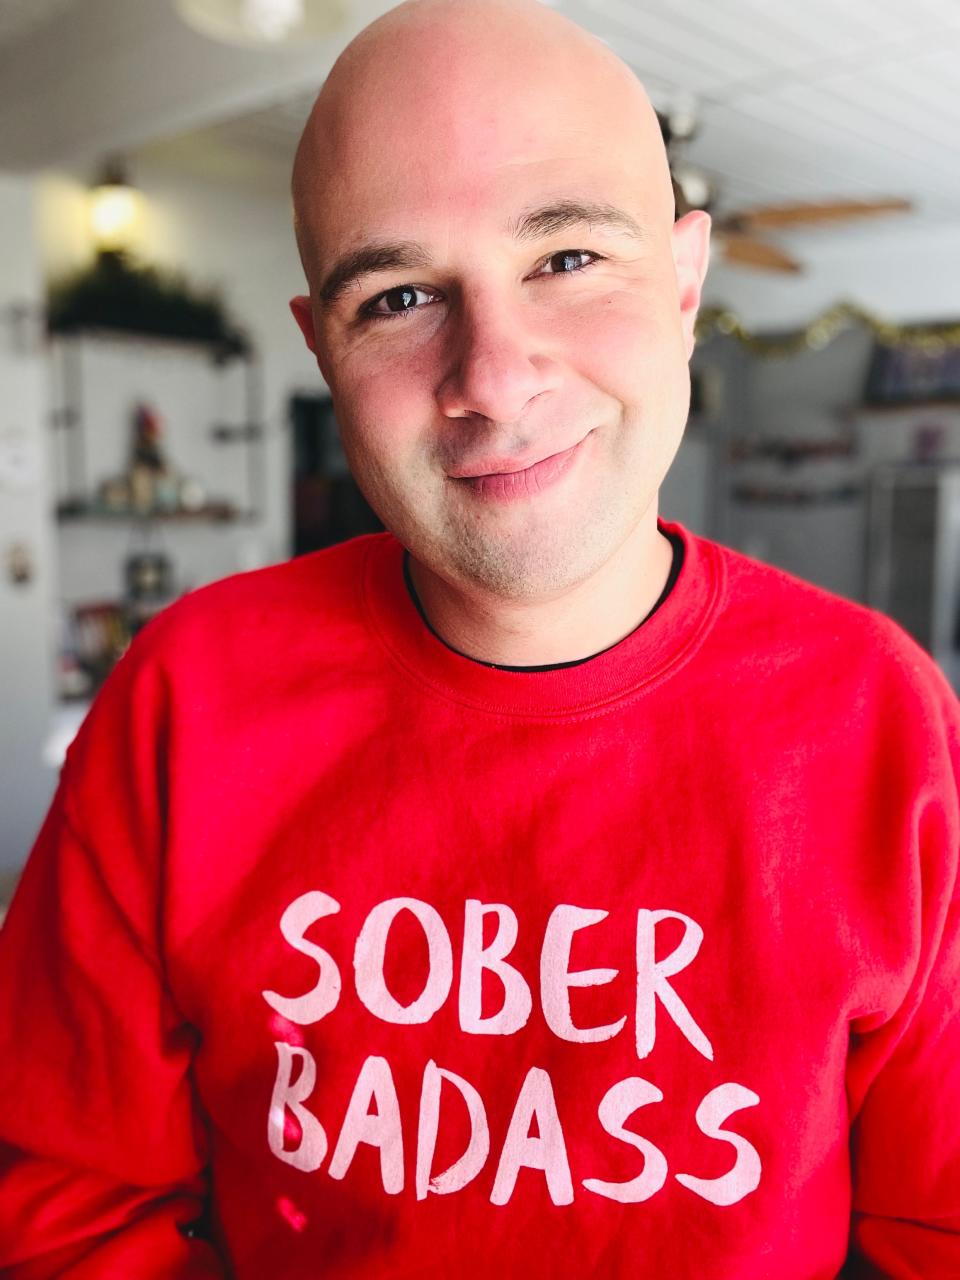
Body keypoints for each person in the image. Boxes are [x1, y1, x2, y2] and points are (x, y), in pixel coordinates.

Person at [1, 0, 958, 1274]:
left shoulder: (882, 714)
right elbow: (64, 1195)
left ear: (682, 283)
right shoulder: (185, 694)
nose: (495, 377)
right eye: (397, 295)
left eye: (566, 258)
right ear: (322, 349)